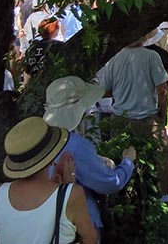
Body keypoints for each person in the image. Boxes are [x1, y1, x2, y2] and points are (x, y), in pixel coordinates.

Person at [42, 76, 137, 236]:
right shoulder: (74, 144)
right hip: (78, 223)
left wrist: (97, 160)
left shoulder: (42, 139)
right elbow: (109, 183)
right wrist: (128, 161)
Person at [0, 116, 98, 244]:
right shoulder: (73, 194)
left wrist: (61, 189)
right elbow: (91, 239)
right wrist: (67, 189)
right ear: (51, 154)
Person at [96, 31, 168, 200]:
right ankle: (164, 195)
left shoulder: (115, 59)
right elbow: (163, 89)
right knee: (162, 156)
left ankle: (125, 195)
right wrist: (162, 113)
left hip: (120, 117)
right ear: (144, 37)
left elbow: (105, 90)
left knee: (123, 156)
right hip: (146, 117)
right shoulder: (151, 56)